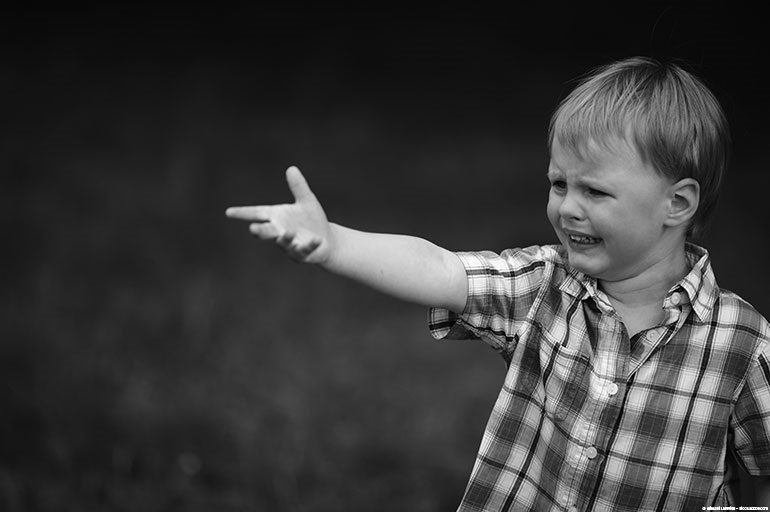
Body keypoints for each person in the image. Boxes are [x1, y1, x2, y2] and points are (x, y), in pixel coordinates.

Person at [226, 57, 770, 510]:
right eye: (559, 183)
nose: (568, 207)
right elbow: (440, 270)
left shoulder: (741, 343)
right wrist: (334, 243)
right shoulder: (543, 286)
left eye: (595, 192)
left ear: (678, 203)